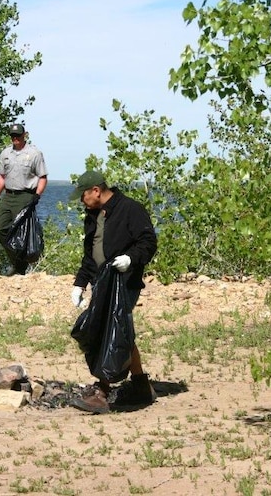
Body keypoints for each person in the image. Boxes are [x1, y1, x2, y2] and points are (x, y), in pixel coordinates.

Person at [68, 170, 158, 414]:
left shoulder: (131, 209)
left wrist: (131, 258)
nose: (81, 201)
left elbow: (148, 242)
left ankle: (103, 391)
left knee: (111, 331)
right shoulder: (92, 215)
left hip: (123, 281)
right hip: (101, 283)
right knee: (119, 332)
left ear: (96, 191)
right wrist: (80, 283)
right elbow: (91, 254)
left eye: (83, 195)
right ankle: (140, 385)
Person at [0, 123, 48, 275]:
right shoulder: (5, 154)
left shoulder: (34, 153)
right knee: (0, 228)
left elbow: (42, 177)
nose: (15, 138)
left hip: (25, 196)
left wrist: (37, 195)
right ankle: (18, 262)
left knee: (22, 232)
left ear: (24, 135)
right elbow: (2, 177)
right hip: (8, 196)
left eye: (18, 135)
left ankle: (19, 266)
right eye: (12, 136)